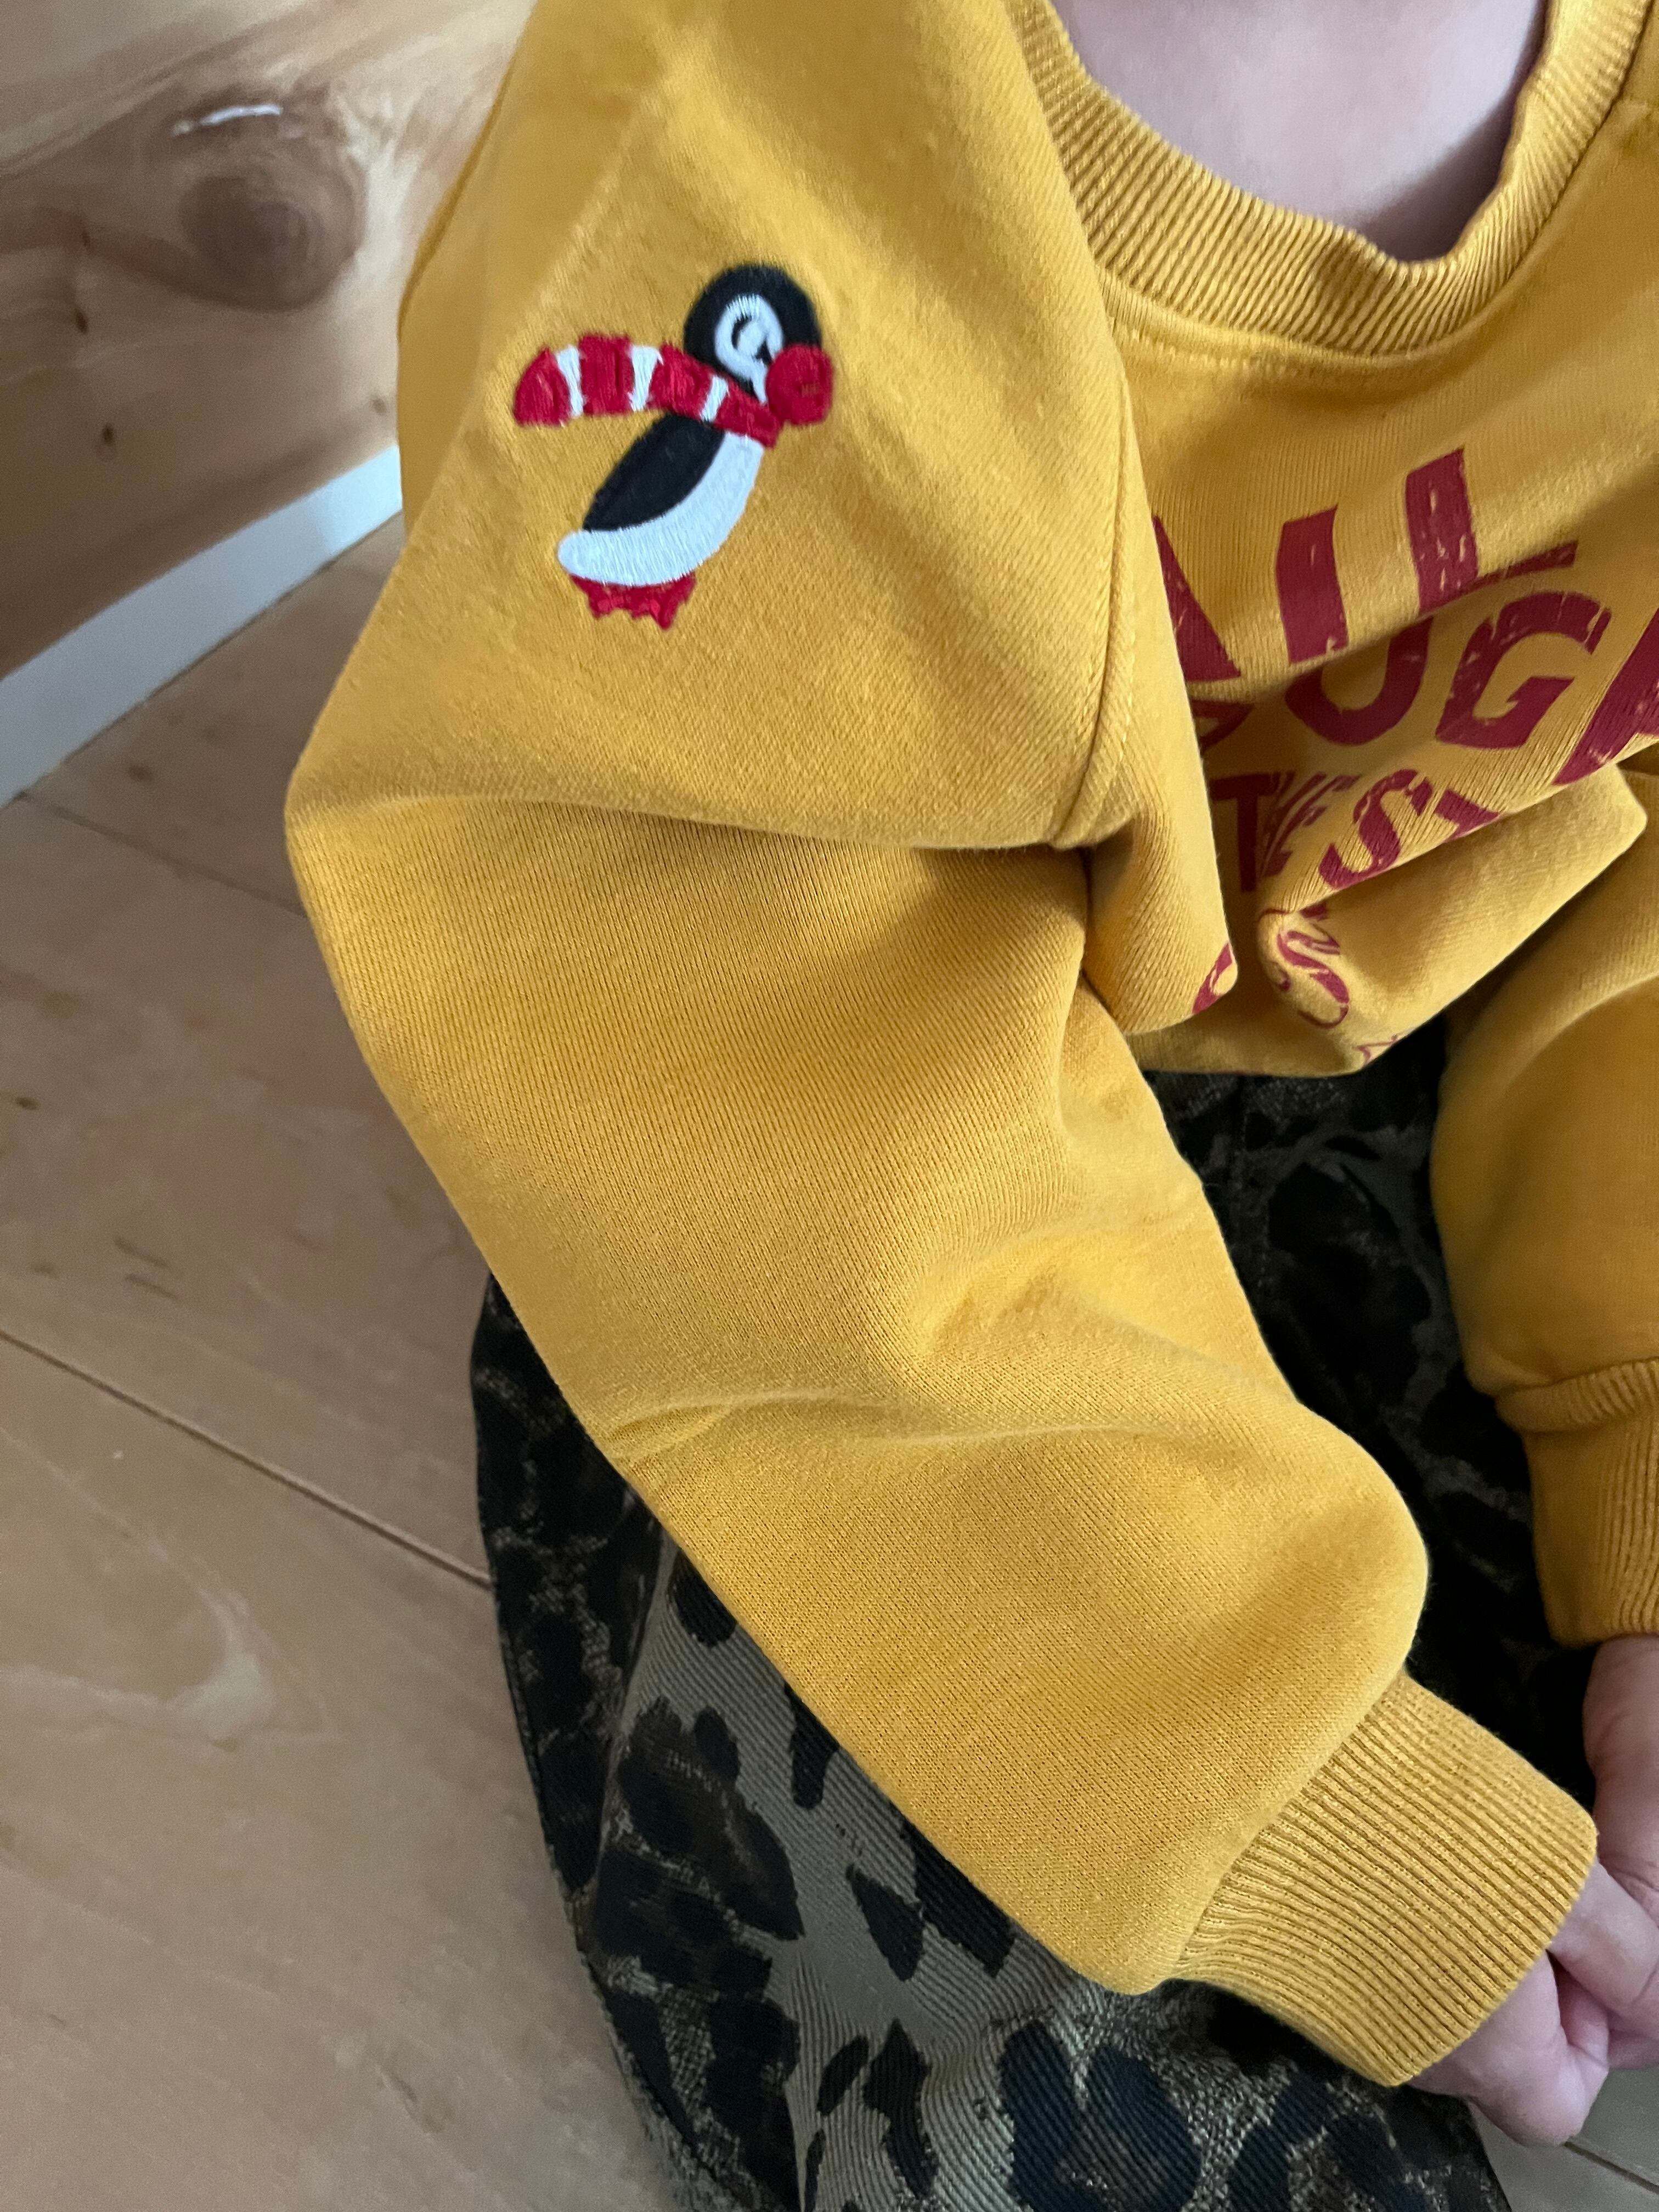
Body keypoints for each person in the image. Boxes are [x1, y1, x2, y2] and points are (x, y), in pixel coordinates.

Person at [285, 0, 1659, 2201]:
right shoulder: (742, 139)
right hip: (862, 1162)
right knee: (974, 1912)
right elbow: (729, 1051)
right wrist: (1267, 1769)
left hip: (1452, 1014)